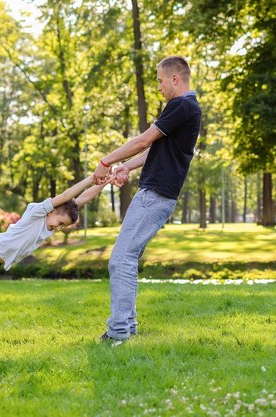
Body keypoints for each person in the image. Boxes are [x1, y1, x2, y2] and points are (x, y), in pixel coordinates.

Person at [92, 56, 201, 345]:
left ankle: (118, 334)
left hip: (156, 195)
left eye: (160, 80)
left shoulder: (182, 105)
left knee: (121, 259)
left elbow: (143, 140)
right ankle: (127, 325)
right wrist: (126, 167)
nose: (158, 87)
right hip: (156, 193)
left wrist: (106, 161)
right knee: (125, 258)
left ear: (175, 79)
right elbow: (155, 149)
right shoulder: (186, 108)